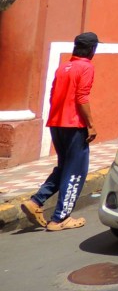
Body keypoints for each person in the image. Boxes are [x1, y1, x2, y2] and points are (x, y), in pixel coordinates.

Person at [22, 32, 99, 232]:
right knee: (76, 172)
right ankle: (60, 218)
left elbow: (52, 95)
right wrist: (90, 124)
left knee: (64, 167)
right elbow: (82, 97)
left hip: (56, 123)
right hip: (74, 125)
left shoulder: (63, 67)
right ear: (92, 49)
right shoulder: (86, 67)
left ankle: (36, 201)